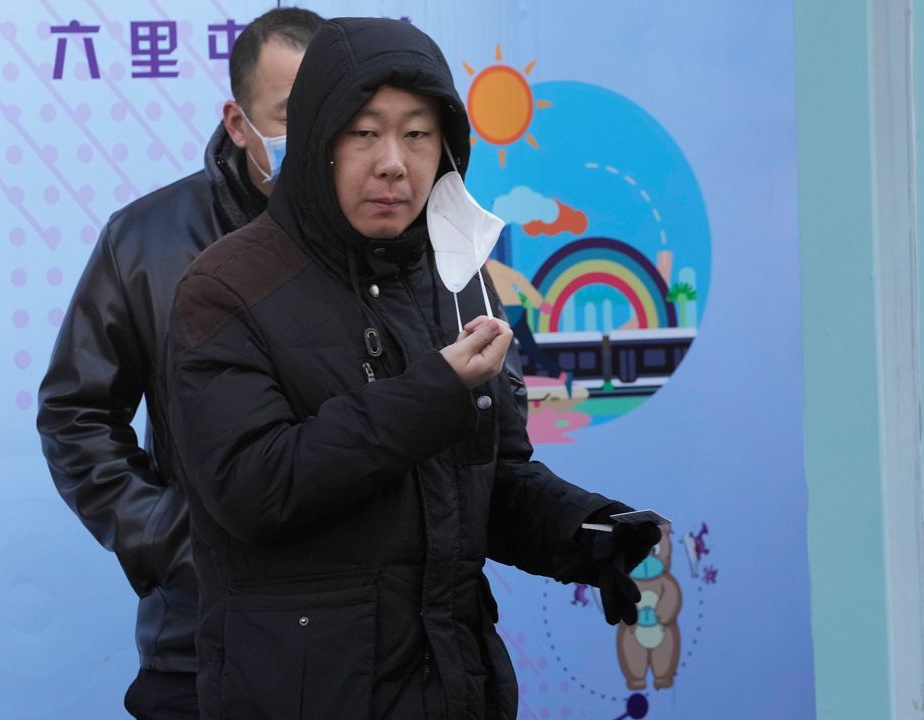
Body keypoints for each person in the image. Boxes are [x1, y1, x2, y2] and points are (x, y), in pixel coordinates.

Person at [164, 18, 661, 720]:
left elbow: (489, 476)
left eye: (418, 134)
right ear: (315, 144)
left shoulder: (458, 278)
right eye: (364, 132)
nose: (394, 162)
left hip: (455, 683)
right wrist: (433, 393)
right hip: (305, 693)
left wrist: (583, 532)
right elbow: (256, 488)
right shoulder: (226, 287)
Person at [35, 8, 325, 720]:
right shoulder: (146, 242)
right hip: (204, 646)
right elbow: (75, 416)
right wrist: (177, 544)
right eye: (290, 115)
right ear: (238, 121)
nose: (315, 138)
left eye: (332, 111)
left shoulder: (393, 237)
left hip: (378, 650)